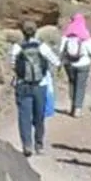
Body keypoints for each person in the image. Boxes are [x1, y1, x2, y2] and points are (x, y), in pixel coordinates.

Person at [10, 24, 55, 158]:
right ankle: (39, 145)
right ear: (36, 33)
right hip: (40, 85)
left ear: (22, 33)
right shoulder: (42, 47)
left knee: (24, 116)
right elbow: (55, 61)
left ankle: (27, 145)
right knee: (39, 116)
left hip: (22, 85)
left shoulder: (17, 47)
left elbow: (12, 65)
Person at [59, 14, 91, 116]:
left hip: (69, 64)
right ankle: (78, 108)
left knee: (72, 84)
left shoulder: (67, 34)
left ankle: (72, 105)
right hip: (83, 64)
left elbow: (61, 50)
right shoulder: (85, 35)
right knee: (80, 86)